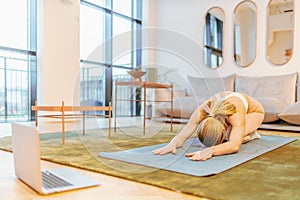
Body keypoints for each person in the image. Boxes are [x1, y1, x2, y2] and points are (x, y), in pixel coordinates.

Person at [152, 91, 265, 161]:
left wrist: (211, 150)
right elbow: (181, 136)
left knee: (233, 137)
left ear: (223, 127)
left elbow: (234, 146)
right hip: (226, 115)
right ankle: (238, 134)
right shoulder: (202, 111)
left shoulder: (234, 113)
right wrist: (173, 144)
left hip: (254, 112)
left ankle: (250, 134)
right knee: (232, 136)